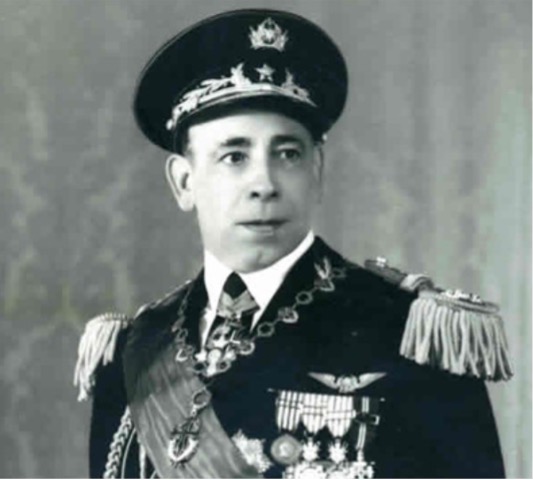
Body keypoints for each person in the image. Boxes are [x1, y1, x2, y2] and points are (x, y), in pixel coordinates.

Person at [74, 9, 512, 479]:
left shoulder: (410, 336)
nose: (264, 184)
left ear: (316, 171)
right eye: (234, 156)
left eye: (287, 154)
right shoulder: (136, 350)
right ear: (184, 182)